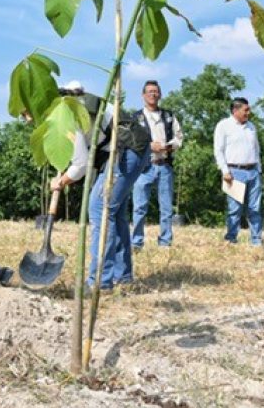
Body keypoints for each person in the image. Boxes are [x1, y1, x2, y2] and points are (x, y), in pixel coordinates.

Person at [50, 82, 150, 291]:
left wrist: (61, 182)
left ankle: (99, 282)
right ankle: (122, 276)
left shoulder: (69, 117)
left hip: (126, 151)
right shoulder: (77, 104)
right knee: (115, 212)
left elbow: (81, 165)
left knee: (100, 209)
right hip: (134, 148)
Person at [131, 80, 183, 249]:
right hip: (143, 167)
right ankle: (137, 242)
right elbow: (129, 140)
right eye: (149, 91)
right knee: (139, 206)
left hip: (164, 164)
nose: (153, 94)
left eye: (156, 91)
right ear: (143, 95)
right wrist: (149, 146)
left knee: (166, 207)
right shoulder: (136, 118)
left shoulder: (168, 116)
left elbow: (179, 137)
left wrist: (170, 146)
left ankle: (165, 241)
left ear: (160, 94)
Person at [213, 97, 263, 246]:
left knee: (255, 208)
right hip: (235, 172)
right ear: (235, 110)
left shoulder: (251, 126)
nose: (248, 112)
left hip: (253, 171)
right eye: (245, 110)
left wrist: (259, 169)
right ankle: (231, 238)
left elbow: (256, 149)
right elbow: (218, 150)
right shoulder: (224, 125)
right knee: (234, 209)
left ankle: (256, 240)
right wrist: (224, 171)